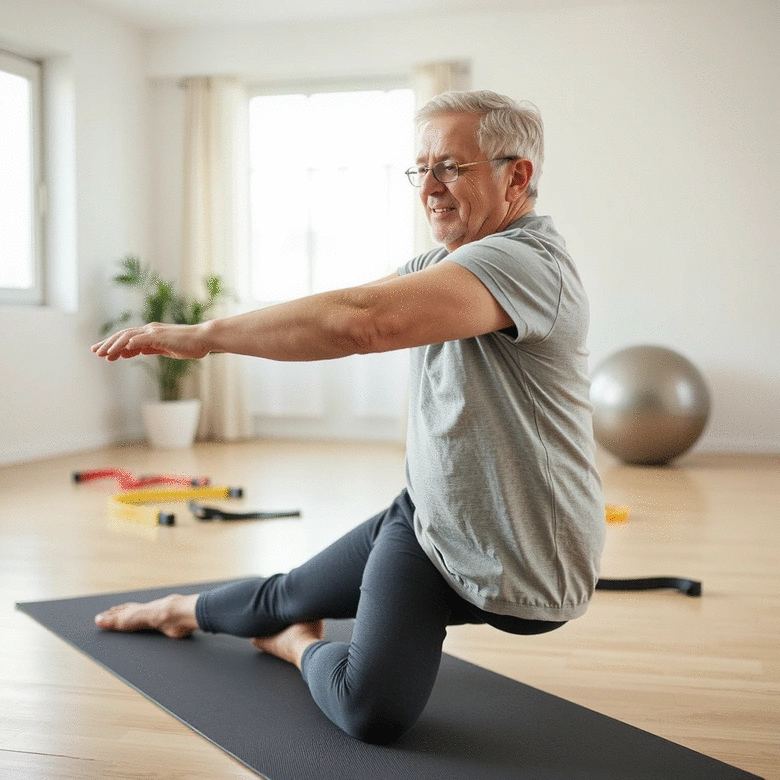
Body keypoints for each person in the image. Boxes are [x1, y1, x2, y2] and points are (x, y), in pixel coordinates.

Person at [92, 90, 605, 745]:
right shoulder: (437, 267)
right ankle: (182, 612)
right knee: (347, 676)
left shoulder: (528, 262)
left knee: (296, 612)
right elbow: (333, 317)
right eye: (421, 169)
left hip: (531, 561)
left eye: (451, 166)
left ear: (518, 175)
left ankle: (286, 643)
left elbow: (360, 323)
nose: (430, 187)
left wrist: (204, 335)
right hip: (431, 527)